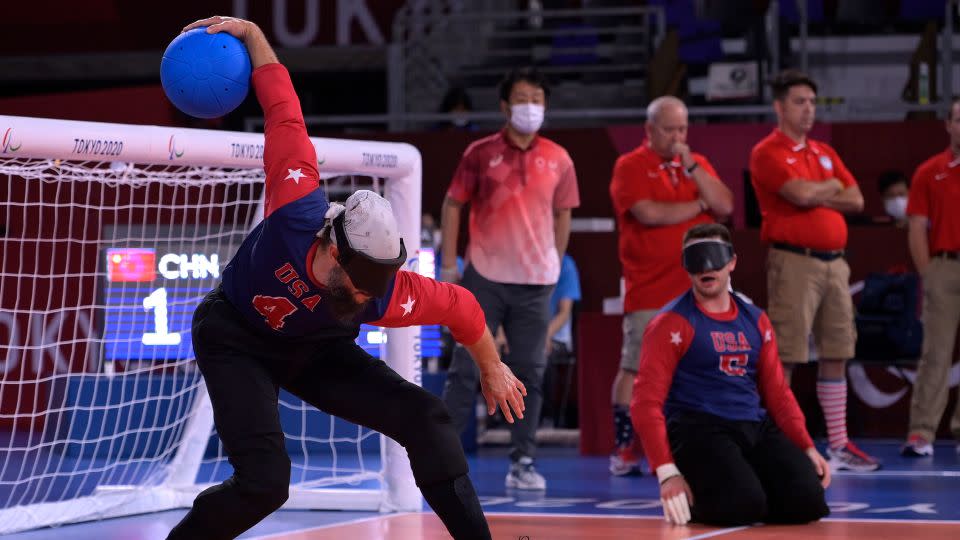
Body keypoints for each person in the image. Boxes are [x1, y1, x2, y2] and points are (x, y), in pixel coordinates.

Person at [167, 17, 527, 540]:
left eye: (375, 285)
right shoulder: (296, 206)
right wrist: (249, 32)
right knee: (266, 485)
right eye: (357, 280)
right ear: (330, 245)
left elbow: (460, 306)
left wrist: (491, 366)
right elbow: (283, 109)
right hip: (235, 337)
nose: (364, 294)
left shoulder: (382, 292)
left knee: (426, 418)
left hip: (316, 350)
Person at [632, 223, 831, 526]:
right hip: (698, 426)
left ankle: (742, 486)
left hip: (752, 424)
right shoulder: (671, 323)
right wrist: (667, 472)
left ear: (732, 262)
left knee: (808, 501)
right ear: (686, 266)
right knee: (742, 506)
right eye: (695, 258)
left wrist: (806, 446)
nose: (706, 266)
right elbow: (645, 403)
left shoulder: (755, 320)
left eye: (714, 255)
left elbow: (778, 393)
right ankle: (707, 494)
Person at [440, 66, 580, 490]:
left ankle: (523, 462)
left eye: (537, 99)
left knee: (531, 371)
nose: (530, 107)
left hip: (536, 283)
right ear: (505, 106)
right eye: (522, 99)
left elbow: (563, 212)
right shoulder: (479, 153)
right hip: (484, 276)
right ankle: (438, 455)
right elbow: (452, 205)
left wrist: (555, 260)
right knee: (465, 369)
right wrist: (450, 265)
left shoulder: (559, 158)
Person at [749, 70, 878, 472]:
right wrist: (827, 187)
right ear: (779, 106)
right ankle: (777, 444)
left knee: (837, 352)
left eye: (812, 102)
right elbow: (800, 194)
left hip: (835, 264)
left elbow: (856, 198)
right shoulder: (767, 152)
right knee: (785, 354)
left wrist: (818, 188)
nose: (809, 110)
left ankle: (838, 444)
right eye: (800, 101)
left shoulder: (823, 151)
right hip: (794, 261)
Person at [607, 95, 733, 476]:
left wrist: (693, 166)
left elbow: (724, 205)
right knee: (635, 367)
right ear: (649, 130)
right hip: (649, 288)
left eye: (683, 128)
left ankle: (692, 444)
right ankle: (625, 447)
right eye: (670, 129)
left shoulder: (697, 165)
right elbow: (649, 213)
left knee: (700, 367)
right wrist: (697, 207)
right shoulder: (630, 165)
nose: (678, 136)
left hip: (698, 290)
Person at [901, 98, 960, 458]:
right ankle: (922, 432)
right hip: (944, 266)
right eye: (959, 119)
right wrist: (929, 273)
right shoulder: (929, 171)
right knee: (935, 353)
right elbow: (916, 227)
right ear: (948, 125)